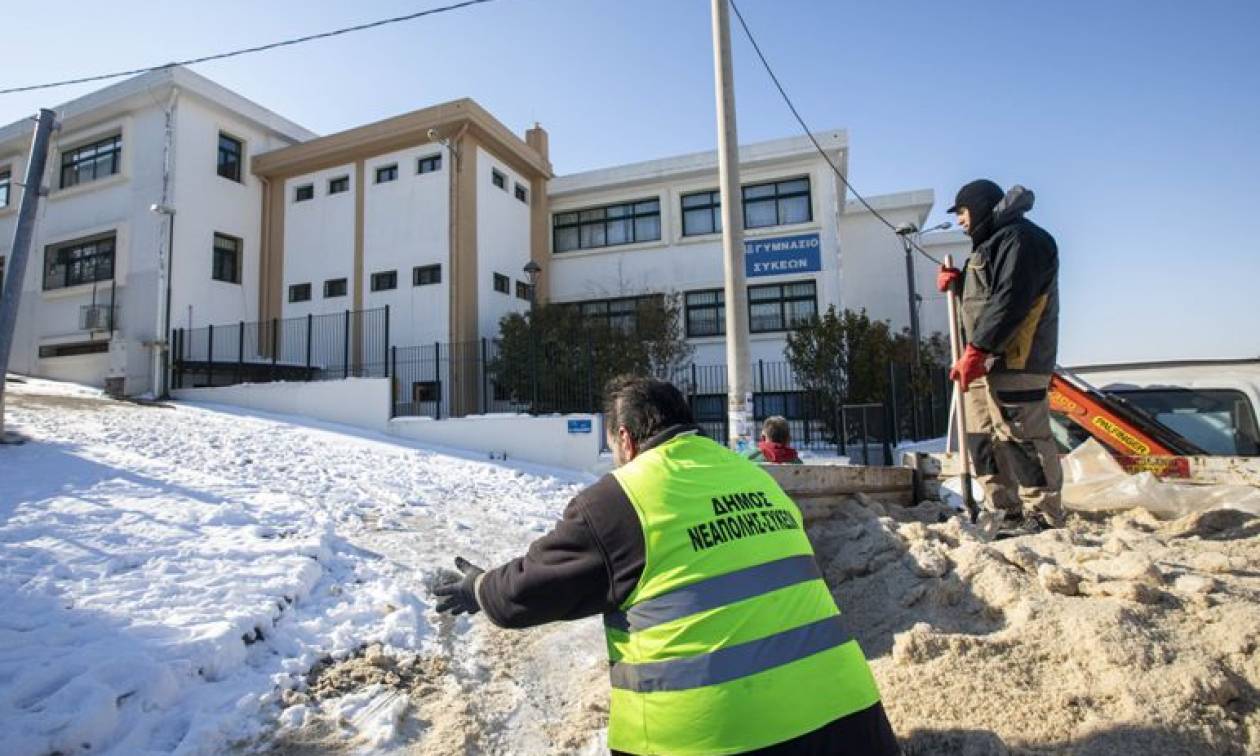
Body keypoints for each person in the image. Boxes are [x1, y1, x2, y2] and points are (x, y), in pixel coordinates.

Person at [433, 375, 899, 755]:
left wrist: (480, 588)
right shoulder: (757, 478)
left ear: (625, 438)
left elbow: (533, 588)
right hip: (855, 724)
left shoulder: (621, 498)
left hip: (717, 738)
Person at [937, 179, 1063, 535]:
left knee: (1021, 437)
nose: (961, 220)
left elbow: (1011, 299)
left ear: (977, 206)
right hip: (983, 361)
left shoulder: (1023, 239)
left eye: (962, 212)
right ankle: (1005, 510)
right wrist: (959, 284)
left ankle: (1042, 515)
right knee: (983, 438)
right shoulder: (989, 245)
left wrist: (979, 348)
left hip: (1016, 359)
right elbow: (986, 298)